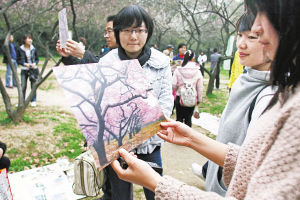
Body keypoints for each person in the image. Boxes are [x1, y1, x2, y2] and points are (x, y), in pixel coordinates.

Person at [111, 0, 300, 199]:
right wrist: (192, 138)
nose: (256, 27)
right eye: (240, 35)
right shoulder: (254, 84)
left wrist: (156, 183)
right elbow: (257, 162)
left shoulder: (287, 107)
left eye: (264, 14)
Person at [99, 5, 173, 200]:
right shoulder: (106, 63)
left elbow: (166, 102)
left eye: (139, 30)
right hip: (118, 146)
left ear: (148, 32)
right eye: (127, 30)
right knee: (120, 194)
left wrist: (143, 129)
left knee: (156, 192)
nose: (133, 37)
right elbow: (101, 106)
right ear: (118, 32)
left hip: (151, 143)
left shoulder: (162, 63)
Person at [203, 11, 276, 196]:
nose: (241, 44)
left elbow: (248, 163)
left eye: (252, 37)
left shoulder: (270, 97)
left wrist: (191, 139)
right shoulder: (245, 79)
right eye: (239, 35)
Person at [172, 50, 203, 127]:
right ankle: (186, 137)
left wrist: (177, 91)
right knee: (188, 119)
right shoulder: (197, 71)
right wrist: (199, 99)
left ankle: (177, 136)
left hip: (180, 98)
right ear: (193, 58)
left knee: (178, 118)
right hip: (192, 97)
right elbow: (200, 87)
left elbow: (173, 84)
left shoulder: (178, 70)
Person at [17, 34, 39, 107]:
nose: (30, 40)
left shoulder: (34, 48)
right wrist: (24, 64)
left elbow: (37, 59)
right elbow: (18, 60)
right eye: (28, 38)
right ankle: (21, 101)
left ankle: (33, 100)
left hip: (33, 69)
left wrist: (34, 63)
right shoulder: (20, 49)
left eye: (31, 38)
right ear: (24, 40)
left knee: (33, 86)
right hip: (24, 69)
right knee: (23, 86)